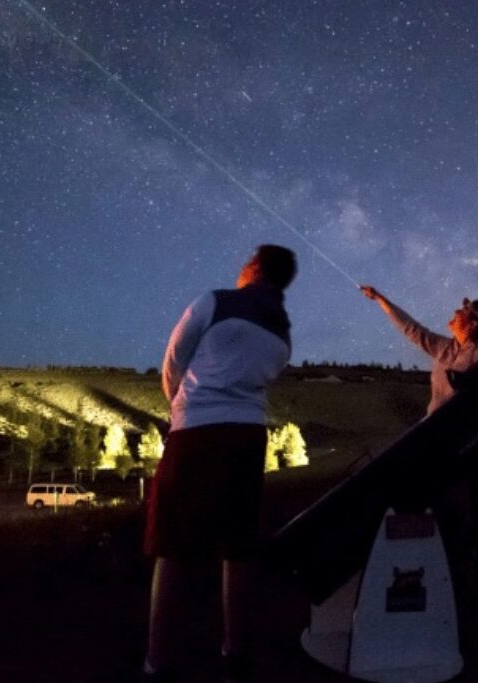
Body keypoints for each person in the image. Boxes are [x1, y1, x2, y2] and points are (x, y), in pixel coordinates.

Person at [142, 244, 297, 683]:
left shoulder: (214, 301)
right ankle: (235, 652)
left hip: (197, 432)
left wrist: (181, 407)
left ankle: (157, 660)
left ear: (254, 268)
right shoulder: (283, 332)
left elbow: (174, 360)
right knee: (238, 546)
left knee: (172, 546)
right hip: (248, 436)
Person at [359, 286, 478, 565]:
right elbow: (411, 329)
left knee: (475, 506)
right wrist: (380, 299)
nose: (454, 312)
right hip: (434, 436)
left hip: (467, 443)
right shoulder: (446, 348)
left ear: (473, 324)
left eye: (462, 311)